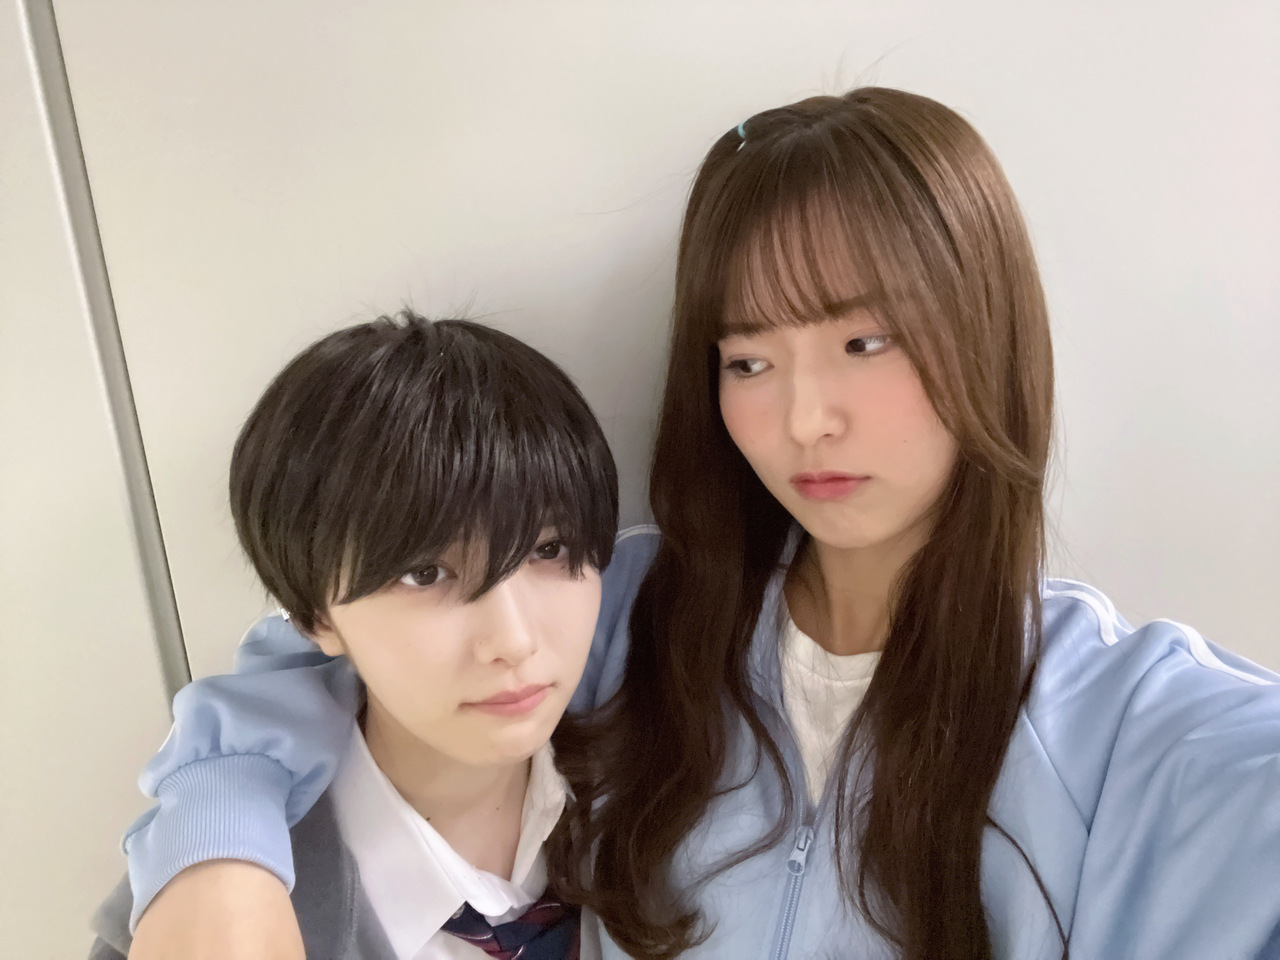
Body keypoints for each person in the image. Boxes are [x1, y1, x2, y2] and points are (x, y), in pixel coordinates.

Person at [120, 88, 1280, 960]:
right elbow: (320, 649)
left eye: (864, 341)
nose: (805, 418)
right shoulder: (627, 609)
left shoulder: (1124, 723)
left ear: (986, 330)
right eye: (748, 360)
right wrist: (219, 854)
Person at [90, 314, 620, 959]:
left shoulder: (667, 789)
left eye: (549, 549)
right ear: (315, 615)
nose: (513, 639)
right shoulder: (206, 918)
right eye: (425, 573)